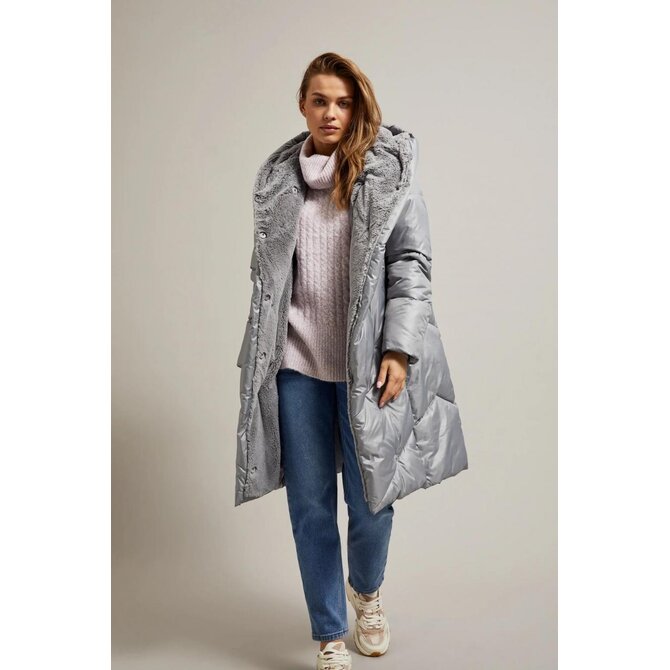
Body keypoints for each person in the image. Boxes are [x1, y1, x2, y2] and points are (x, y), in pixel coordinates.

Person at [235, 52, 469, 670]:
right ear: (303, 105)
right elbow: (269, 283)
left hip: (365, 366)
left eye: (343, 102)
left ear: (357, 106)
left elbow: (410, 266)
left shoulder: (388, 176)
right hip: (296, 366)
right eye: (320, 101)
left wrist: (398, 348)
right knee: (309, 505)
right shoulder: (278, 184)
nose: (331, 113)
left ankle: (366, 592)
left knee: (370, 503)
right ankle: (329, 633)